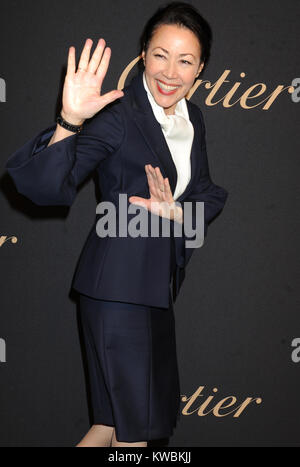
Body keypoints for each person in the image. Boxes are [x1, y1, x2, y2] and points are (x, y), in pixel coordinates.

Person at [5, 1, 228, 447]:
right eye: (160, 54)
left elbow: (205, 191)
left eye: (185, 60)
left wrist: (178, 213)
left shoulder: (193, 119)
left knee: (110, 423)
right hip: (117, 291)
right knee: (133, 434)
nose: (170, 71)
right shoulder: (119, 115)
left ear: (200, 68)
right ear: (143, 53)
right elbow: (50, 187)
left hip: (155, 292)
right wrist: (69, 121)